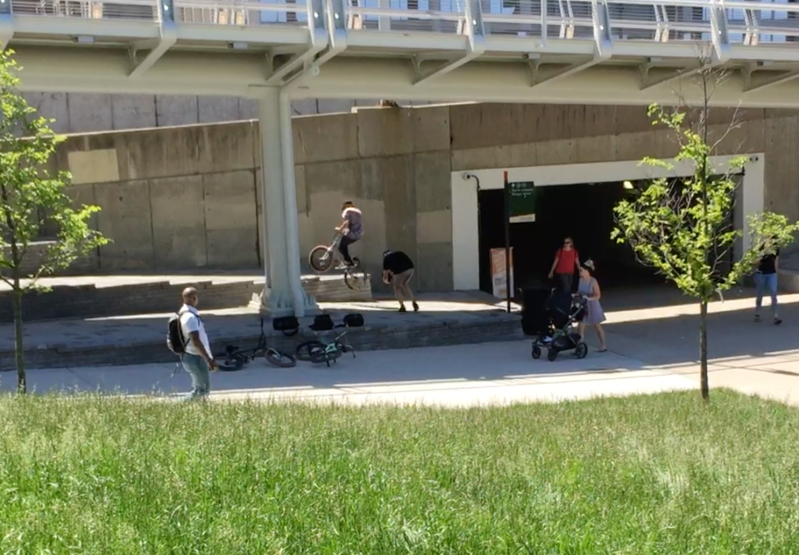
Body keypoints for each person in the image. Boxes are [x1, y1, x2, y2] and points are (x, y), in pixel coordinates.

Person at [179, 287, 217, 399]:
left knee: (203, 388)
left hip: (194, 355)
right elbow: (195, 340)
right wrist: (208, 359)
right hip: (195, 357)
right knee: (200, 390)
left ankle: (203, 411)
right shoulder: (190, 317)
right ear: (194, 298)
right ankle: (180, 405)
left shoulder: (185, 313)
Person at [575, 259, 607, 352]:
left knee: (597, 325)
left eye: (582, 270)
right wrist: (575, 295)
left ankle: (603, 344)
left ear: (587, 271)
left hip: (592, 305)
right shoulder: (580, 280)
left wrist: (589, 298)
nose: (580, 271)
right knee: (581, 325)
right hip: (583, 305)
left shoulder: (593, 281)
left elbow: (598, 295)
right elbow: (579, 291)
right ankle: (580, 345)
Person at [754, 242, 782, 325]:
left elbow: (776, 261)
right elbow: (756, 261)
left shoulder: (776, 248)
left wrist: (776, 274)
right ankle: (757, 314)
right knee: (760, 294)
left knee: (773, 294)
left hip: (772, 274)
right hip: (761, 273)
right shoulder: (761, 246)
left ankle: (775, 316)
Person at [335, 201, 363, 270]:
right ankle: (349, 261)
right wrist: (345, 230)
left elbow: (346, 222)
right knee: (344, 245)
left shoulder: (347, 210)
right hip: (359, 234)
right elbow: (352, 223)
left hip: (353, 234)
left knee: (340, 246)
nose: (343, 209)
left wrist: (340, 229)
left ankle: (349, 262)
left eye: (344, 207)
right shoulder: (357, 211)